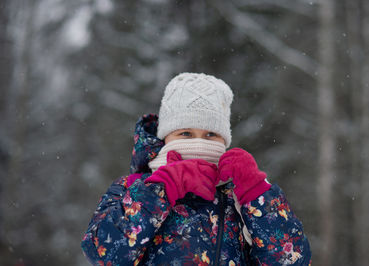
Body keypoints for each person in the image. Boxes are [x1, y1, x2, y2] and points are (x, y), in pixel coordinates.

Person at [81, 73, 312, 265]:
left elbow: (292, 261)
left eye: (210, 135)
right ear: (166, 136)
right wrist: (162, 188)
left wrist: (257, 192)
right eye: (186, 134)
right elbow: (102, 254)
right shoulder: (130, 187)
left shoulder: (238, 196)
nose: (199, 144)